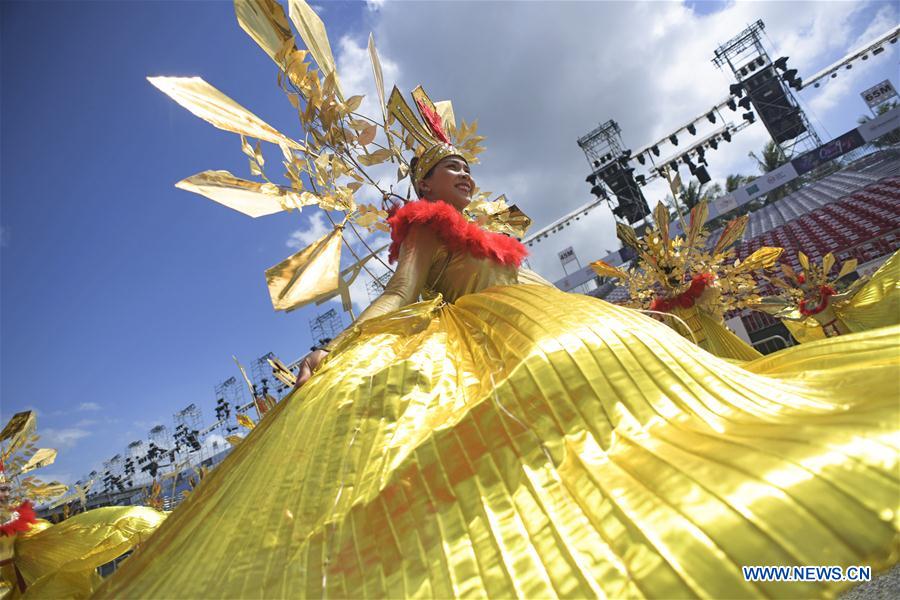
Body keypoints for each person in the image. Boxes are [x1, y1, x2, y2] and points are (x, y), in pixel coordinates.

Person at [96, 118, 900, 597]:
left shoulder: (498, 236)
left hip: (542, 321)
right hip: (484, 343)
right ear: (422, 181)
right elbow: (401, 295)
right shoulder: (424, 226)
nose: (466, 169)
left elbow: (527, 284)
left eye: (466, 163)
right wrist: (342, 349)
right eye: (451, 165)